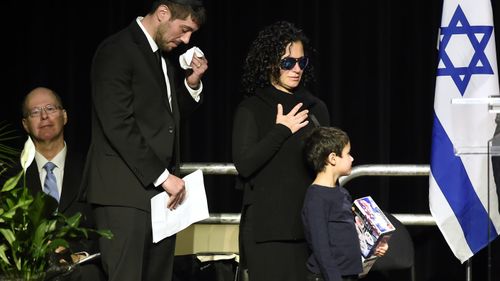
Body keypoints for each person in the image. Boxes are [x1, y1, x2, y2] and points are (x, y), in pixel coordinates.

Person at [80, 0, 207, 280]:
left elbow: (164, 120)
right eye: (184, 29)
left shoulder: (161, 58)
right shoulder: (117, 50)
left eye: (191, 34)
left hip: (159, 196)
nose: (186, 40)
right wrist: (163, 177)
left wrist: (192, 83)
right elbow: (117, 124)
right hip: (123, 194)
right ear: (163, 13)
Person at [231, 21, 330, 281]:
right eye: (288, 63)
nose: (296, 69)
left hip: (309, 229)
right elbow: (245, 164)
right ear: (269, 63)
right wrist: (281, 130)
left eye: (301, 62)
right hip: (268, 233)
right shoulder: (252, 109)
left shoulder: (316, 108)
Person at [21, 87, 105, 281]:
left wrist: (75, 255)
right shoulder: (11, 178)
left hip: (84, 270)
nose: (44, 116)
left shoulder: (93, 170)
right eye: (35, 112)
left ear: (64, 116)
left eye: (50, 108)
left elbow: (108, 228)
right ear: (25, 124)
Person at [301, 127, 388, 281]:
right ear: (332, 158)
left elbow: (352, 233)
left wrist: (375, 247)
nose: (352, 158)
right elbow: (322, 249)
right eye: (347, 154)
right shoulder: (316, 198)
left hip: (348, 274)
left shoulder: (342, 192)